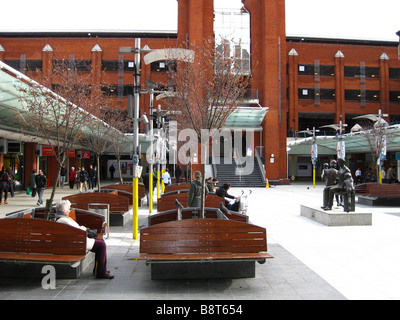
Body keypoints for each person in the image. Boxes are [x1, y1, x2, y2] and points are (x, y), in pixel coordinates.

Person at [55, 200, 114, 279]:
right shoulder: (64, 221)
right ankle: (101, 272)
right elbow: (79, 230)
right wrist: (85, 229)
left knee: (100, 241)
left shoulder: (59, 219)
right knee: (101, 245)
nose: (69, 210)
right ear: (65, 210)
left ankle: (101, 269)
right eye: (69, 208)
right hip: (77, 242)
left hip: (74, 240)